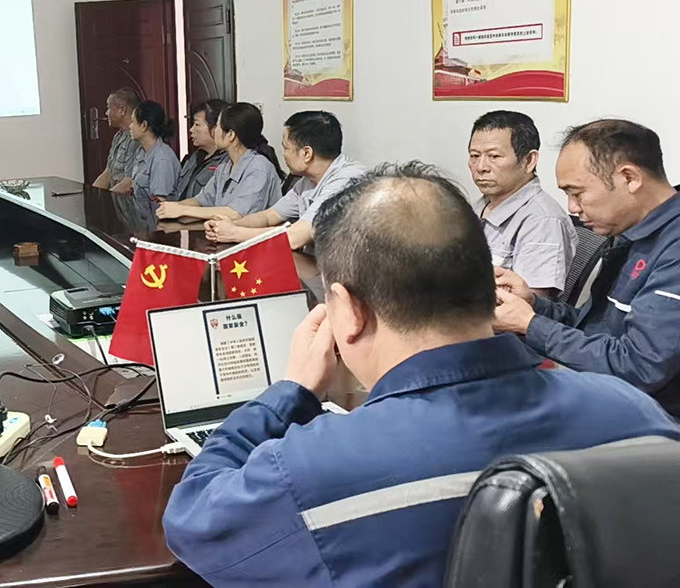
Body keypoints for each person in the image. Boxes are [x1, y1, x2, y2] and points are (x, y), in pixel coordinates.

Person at [163, 163, 680, 588]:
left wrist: (290, 392)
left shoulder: (311, 469)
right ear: (490, 283)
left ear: (348, 310)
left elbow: (193, 521)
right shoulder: (636, 415)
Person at [493, 119, 680, 418]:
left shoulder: (672, 248)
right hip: (600, 392)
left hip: (653, 422)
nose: (572, 208)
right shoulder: (628, 234)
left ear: (629, 177)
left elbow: (639, 367)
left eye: (577, 193)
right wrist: (533, 306)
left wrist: (530, 324)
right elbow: (592, 328)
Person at [202, 111, 361, 249]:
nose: (283, 154)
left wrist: (235, 233)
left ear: (306, 153)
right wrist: (229, 225)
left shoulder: (345, 181)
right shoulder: (308, 180)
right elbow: (269, 216)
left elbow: (295, 238)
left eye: (286, 148)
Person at [468, 111, 575, 297]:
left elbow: (527, 303)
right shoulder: (480, 206)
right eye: (474, 155)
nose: (481, 167)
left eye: (494, 156)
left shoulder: (543, 221)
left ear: (528, 160)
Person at [155, 103, 284, 221]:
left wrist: (182, 210)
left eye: (217, 126)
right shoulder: (225, 165)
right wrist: (171, 207)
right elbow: (201, 200)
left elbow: (236, 214)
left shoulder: (258, 167)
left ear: (230, 135)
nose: (214, 131)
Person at [171, 99, 230, 201]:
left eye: (197, 125)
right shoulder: (195, 157)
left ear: (216, 128)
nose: (191, 130)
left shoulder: (226, 162)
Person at [121, 100, 181, 198]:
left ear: (144, 125)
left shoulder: (162, 159)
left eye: (133, 122)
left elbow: (160, 201)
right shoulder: (141, 151)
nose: (130, 126)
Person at [92, 88, 145, 190]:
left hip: (125, 199)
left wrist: (107, 198)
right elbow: (108, 173)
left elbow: (128, 183)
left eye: (109, 108)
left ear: (122, 110)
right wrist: (92, 195)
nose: (106, 113)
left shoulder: (135, 140)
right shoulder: (118, 136)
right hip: (114, 196)